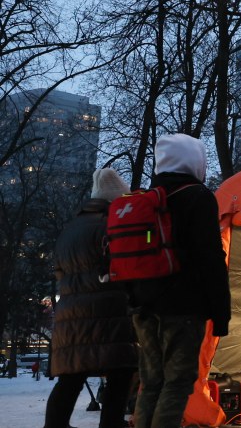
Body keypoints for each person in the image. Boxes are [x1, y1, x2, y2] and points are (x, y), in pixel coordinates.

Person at [130, 134, 231, 428]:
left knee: (151, 382)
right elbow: (211, 258)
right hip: (184, 307)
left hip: (143, 306)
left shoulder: (146, 199)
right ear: (194, 161)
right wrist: (220, 313)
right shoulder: (197, 197)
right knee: (177, 383)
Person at [44, 168, 138, 428]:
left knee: (71, 376)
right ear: (117, 199)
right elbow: (123, 266)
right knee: (121, 372)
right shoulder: (113, 224)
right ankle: (111, 424)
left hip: (70, 315)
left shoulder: (70, 229)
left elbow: (59, 273)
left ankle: (54, 425)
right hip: (108, 312)